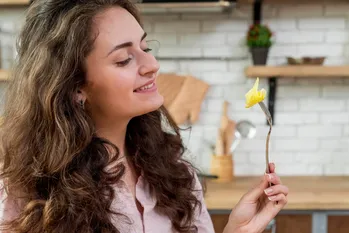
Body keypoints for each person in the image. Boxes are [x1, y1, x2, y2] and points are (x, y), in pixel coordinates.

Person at [0, 0, 288, 232]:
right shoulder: (23, 192)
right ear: (74, 85)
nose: (151, 64)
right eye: (124, 59)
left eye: (145, 48)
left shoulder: (177, 174)